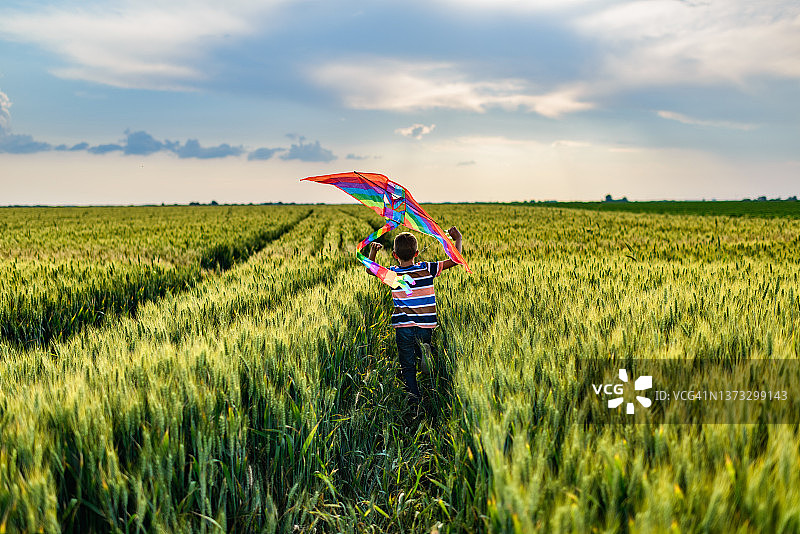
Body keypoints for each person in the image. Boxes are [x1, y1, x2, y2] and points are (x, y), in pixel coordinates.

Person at [367, 226, 463, 413]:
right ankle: (425, 353)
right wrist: (457, 239)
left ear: (394, 255)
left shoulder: (393, 275)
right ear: (416, 253)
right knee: (421, 347)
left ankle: (413, 396)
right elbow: (456, 260)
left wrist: (373, 252)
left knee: (407, 363)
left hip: (403, 327)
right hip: (426, 325)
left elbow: (371, 270)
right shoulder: (427, 268)